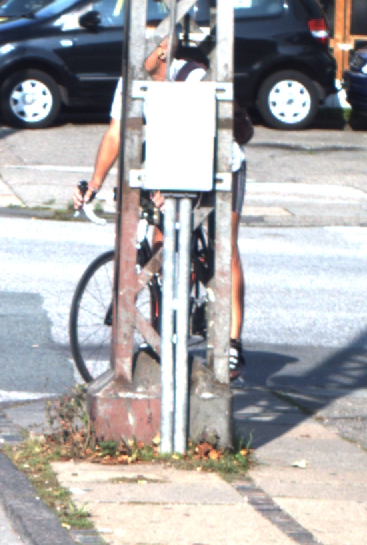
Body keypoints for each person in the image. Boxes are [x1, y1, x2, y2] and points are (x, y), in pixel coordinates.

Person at [72, 34, 248, 380]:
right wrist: (93, 184)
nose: (134, 54)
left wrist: (173, 186)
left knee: (223, 247)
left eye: (144, 47)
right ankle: (162, 331)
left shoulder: (193, 79)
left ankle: (231, 343)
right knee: (158, 242)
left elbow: (204, 137)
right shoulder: (130, 82)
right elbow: (116, 134)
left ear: (163, 51)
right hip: (171, 164)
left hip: (219, 163)